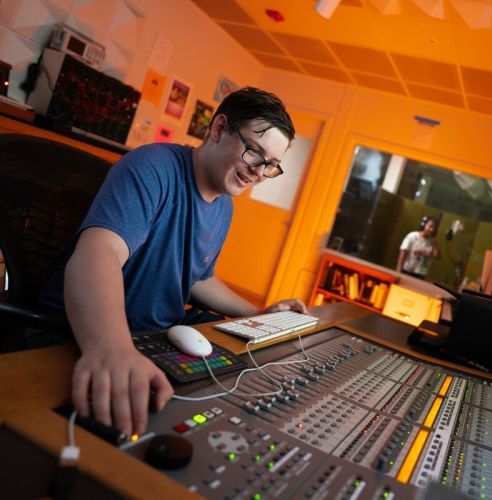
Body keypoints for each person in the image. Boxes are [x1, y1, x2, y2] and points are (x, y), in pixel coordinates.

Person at [40, 87, 307, 437]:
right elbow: (98, 252)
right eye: (254, 152)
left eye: (270, 164)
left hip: (155, 334)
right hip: (83, 332)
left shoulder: (224, 206)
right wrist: (111, 346)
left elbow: (197, 278)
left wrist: (257, 314)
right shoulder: (153, 166)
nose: (259, 171)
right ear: (218, 128)